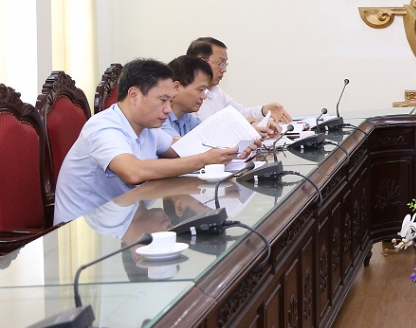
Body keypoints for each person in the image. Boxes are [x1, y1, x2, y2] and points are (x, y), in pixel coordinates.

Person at [53, 58, 243, 224]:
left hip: (126, 218)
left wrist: (234, 147)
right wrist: (204, 160)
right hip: (83, 230)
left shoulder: (147, 127)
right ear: (134, 95)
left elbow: (183, 149)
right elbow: (134, 172)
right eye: (163, 100)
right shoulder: (103, 128)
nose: (168, 109)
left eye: (170, 100)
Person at [186, 36, 292, 124]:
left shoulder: (216, 91)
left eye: (225, 64)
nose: (224, 70)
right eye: (220, 63)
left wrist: (263, 110)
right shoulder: (186, 94)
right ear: (201, 62)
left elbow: (240, 113)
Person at [162, 55, 213, 139]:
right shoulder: (158, 118)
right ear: (176, 87)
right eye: (200, 89)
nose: (204, 96)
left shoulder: (188, 119)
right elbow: (178, 146)